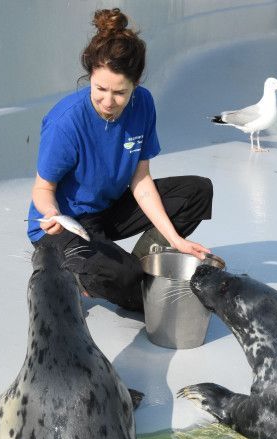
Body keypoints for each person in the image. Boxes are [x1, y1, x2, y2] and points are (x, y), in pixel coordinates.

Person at [27, 7, 213, 312]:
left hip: (109, 208)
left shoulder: (144, 104)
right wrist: (52, 215)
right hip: (67, 223)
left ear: (135, 85)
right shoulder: (66, 122)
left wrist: (176, 240)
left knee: (197, 193)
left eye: (120, 93)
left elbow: (141, 181)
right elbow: (42, 189)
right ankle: (77, 270)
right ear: (90, 76)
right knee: (127, 280)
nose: (108, 102)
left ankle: (136, 265)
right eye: (100, 89)